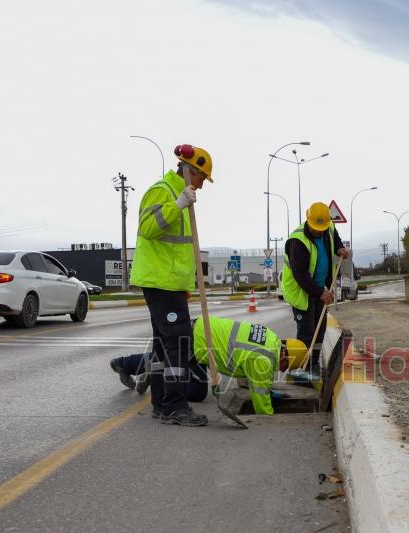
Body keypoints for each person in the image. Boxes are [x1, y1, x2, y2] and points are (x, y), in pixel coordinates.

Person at [126, 143, 213, 426]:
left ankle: (162, 404)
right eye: (201, 178)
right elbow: (149, 228)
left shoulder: (182, 195)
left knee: (164, 347)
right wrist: (177, 205)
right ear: (190, 171)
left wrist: (186, 283)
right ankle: (176, 406)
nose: (201, 186)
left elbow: (179, 249)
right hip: (160, 282)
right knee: (178, 344)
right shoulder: (163, 191)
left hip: (170, 284)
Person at [111, 315, 308, 415]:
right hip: (198, 343)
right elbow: (261, 404)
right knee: (195, 392)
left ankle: (132, 365)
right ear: (285, 357)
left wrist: (268, 390)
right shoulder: (263, 361)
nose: (283, 371)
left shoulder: (270, 338)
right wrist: (270, 413)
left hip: (202, 330)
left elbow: (247, 370)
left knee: (165, 356)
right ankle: (154, 372)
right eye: (287, 366)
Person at [280, 202, 348, 375]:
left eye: (322, 227)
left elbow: (335, 237)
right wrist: (320, 293)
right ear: (308, 219)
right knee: (306, 332)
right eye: (316, 227)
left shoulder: (328, 226)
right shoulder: (297, 241)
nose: (319, 231)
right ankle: (301, 367)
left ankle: (313, 364)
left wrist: (339, 248)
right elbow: (301, 275)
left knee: (320, 328)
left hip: (319, 288)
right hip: (301, 291)